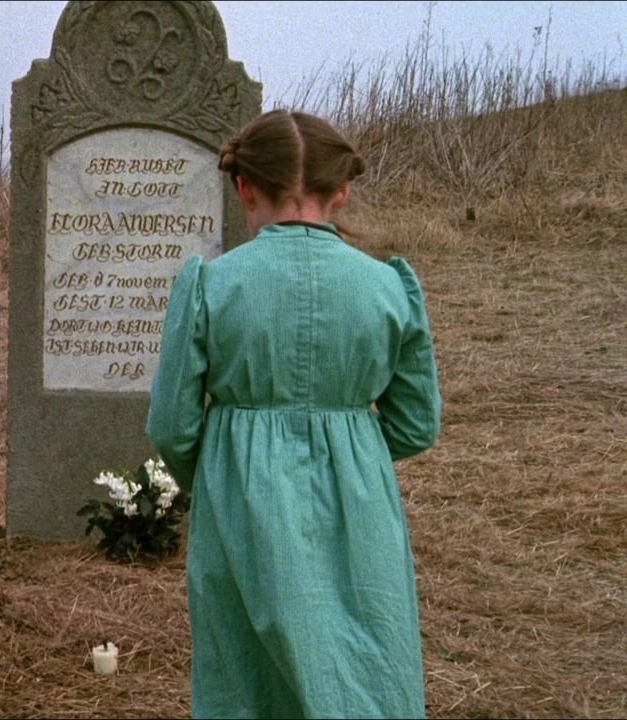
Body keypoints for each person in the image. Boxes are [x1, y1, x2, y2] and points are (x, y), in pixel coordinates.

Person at [146, 109, 442, 718]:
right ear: (341, 191)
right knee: (365, 663)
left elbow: (172, 426)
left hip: (240, 503)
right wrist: (352, 450)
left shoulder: (210, 285)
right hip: (359, 505)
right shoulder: (388, 287)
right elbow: (417, 422)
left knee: (247, 676)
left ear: (245, 188)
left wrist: (224, 468)